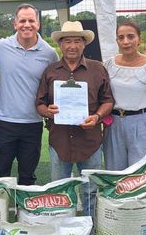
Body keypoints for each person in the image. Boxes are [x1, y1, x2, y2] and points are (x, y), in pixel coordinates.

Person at [36, 20, 114, 218]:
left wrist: (97, 116)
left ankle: (91, 228)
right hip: (59, 141)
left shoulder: (98, 69)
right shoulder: (51, 71)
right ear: (60, 44)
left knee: (91, 191)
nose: (72, 46)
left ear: (84, 44)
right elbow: (39, 104)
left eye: (77, 41)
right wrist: (48, 111)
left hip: (90, 141)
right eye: (67, 41)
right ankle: (62, 228)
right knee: (59, 191)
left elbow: (108, 101)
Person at [0, 3, 59, 185]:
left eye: (31, 20)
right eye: (22, 21)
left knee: (27, 177)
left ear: (38, 24)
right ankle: (1, 206)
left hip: (33, 124)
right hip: (4, 123)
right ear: (15, 24)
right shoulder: (1, 46)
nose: (27, 25)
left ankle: (24, 205)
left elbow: (55, 83)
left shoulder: (49, 53)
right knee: (0, 176)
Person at [103, 21, 146, 170]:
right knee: (114, 173)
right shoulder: (108, 64)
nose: (126, 41)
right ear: (117, 41)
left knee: (139, 172)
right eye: (121, 37)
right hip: (113, 124)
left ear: (139, 39)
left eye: (131, 37)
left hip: (141, 123)